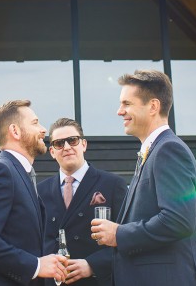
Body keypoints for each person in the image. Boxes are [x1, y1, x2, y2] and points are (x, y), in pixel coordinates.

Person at [90, 70, 196, 285]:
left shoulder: (168, 150)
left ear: (153, 106)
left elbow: (178, 220)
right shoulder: (153, 152)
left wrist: (119, 234)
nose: (119, 111)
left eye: (126, 104)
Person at [0, 99, 68, 285]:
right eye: (35, 123)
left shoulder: (20, 173)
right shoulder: (0, 171)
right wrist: (36, 266)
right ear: (15, 131)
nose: (43, 130)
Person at [37, 118, 128, 285]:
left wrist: (92, 265)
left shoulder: (113, 185)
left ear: (84, 144)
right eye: (59, 143)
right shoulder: (39, 192)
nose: (66, 147)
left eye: (72, 140)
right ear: (52, 151)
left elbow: (129, 239)